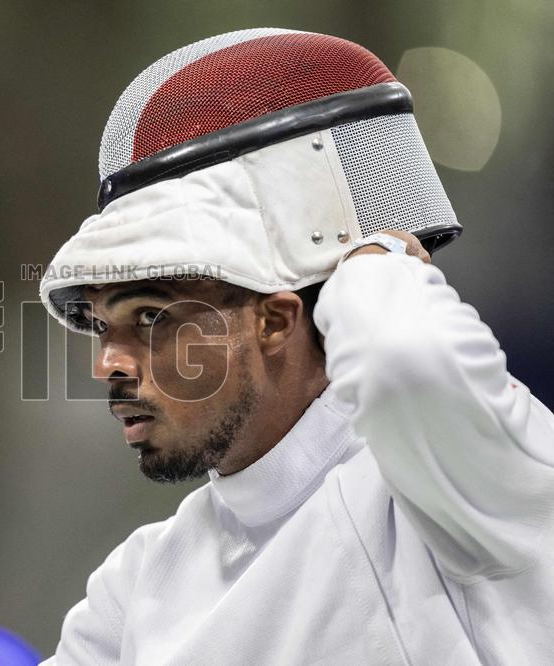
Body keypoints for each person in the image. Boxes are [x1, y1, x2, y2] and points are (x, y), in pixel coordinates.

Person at [38, 29, 554, 665]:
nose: (108, 363)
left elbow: (404, 362)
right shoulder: (138, 584)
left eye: (149, 315)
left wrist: (374, 256)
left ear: (275, 321)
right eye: (99, 324)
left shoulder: (465, 486)